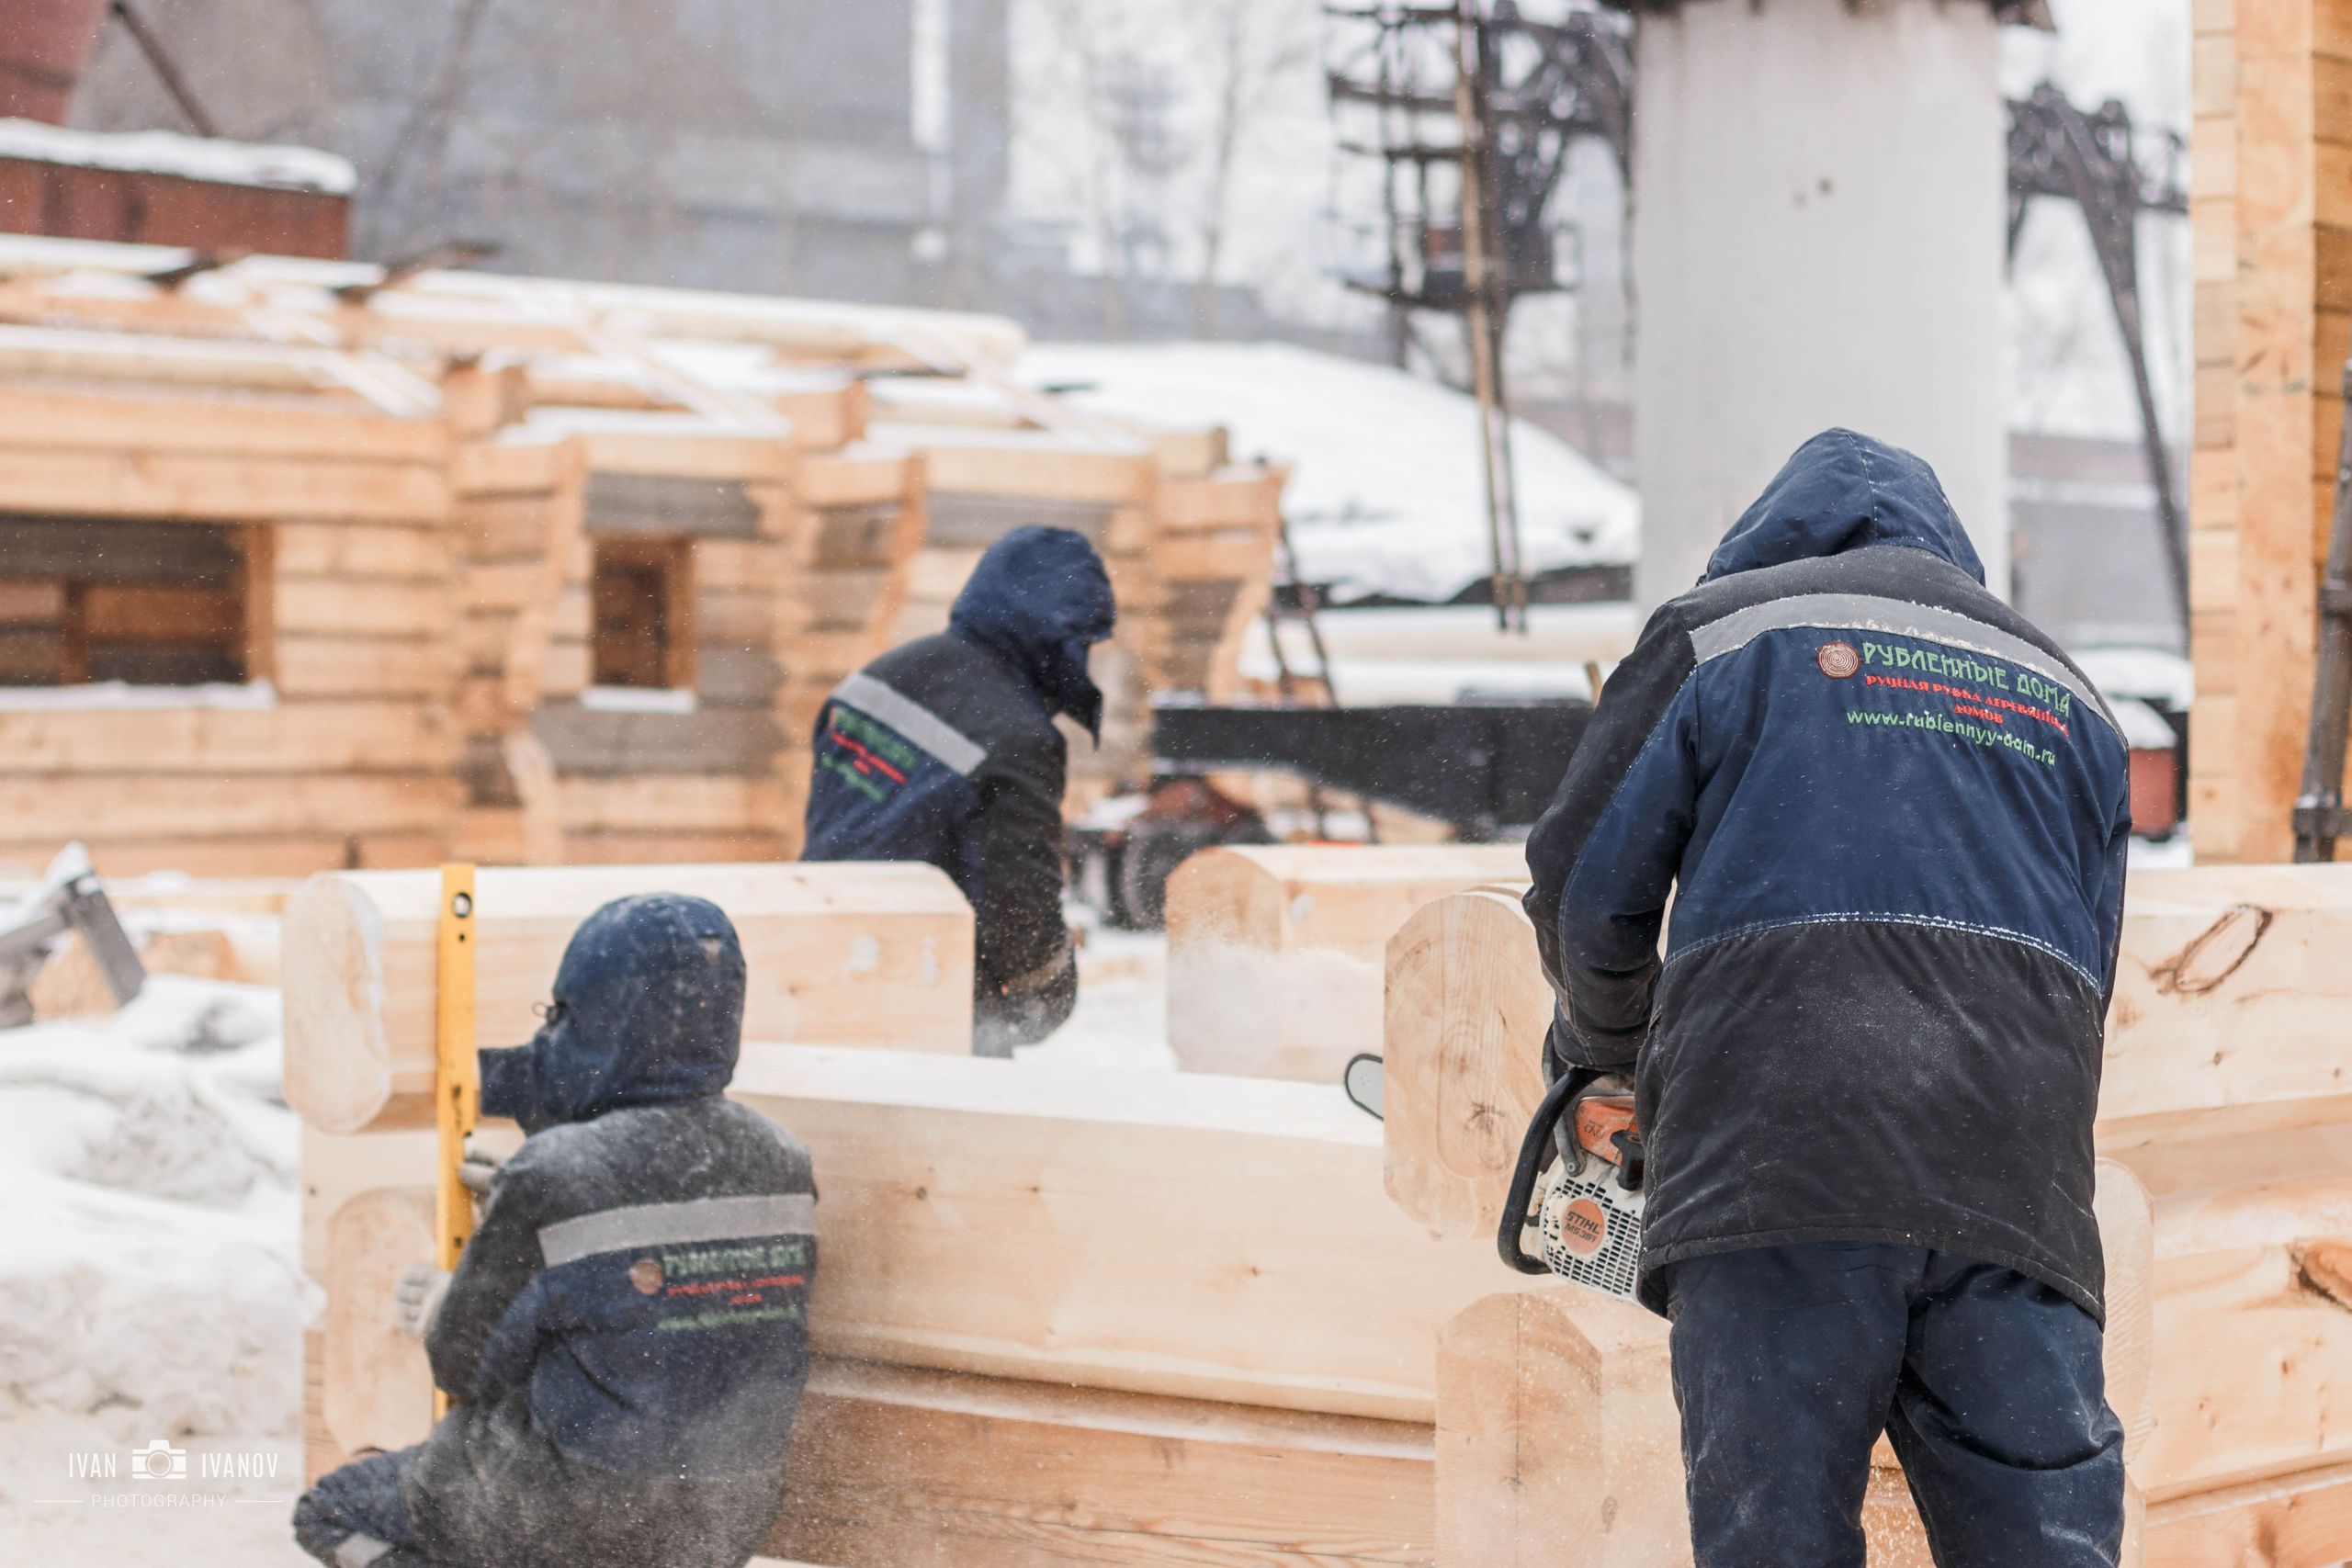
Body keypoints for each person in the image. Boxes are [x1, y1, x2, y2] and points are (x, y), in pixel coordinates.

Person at [1522, 430, 2133, 1567]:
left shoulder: (1720, 632)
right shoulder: (2071, 693)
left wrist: (1608, 1055)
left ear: (1769, 534)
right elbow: (2085, 971)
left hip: (1776, 1162)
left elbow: (1580, 887)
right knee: (2045, 1542)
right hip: (2017, 1180)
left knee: (1776, 1535)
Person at [291, 895, 819, 1568]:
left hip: (572, 1503)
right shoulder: (782, 1156)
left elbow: (463, 1365)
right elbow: (685, 1304)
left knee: (332, 1510)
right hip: (726, 1519)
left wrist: (452, 1300)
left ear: (594, 1011)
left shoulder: (558, 1173)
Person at [803, 525, 1116, 1055]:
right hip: (926, 992)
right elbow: (1018, 908)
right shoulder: (1019, 736)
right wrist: (1046, 991)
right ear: (1062, 638)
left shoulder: (880, 676)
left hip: (815, 960)